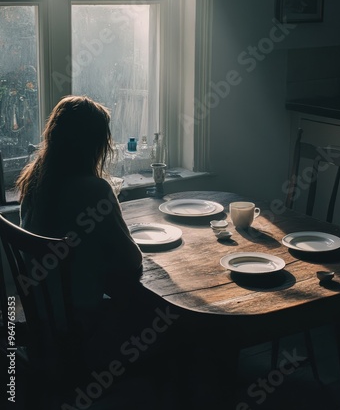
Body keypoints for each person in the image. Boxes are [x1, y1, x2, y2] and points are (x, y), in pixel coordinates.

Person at [16, 95, 238, 408]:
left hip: (44, 317)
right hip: (81, 329)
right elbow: (131, 261)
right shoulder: (94, 191)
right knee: (177, 316)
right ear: (95, 144)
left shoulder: (35, 179)